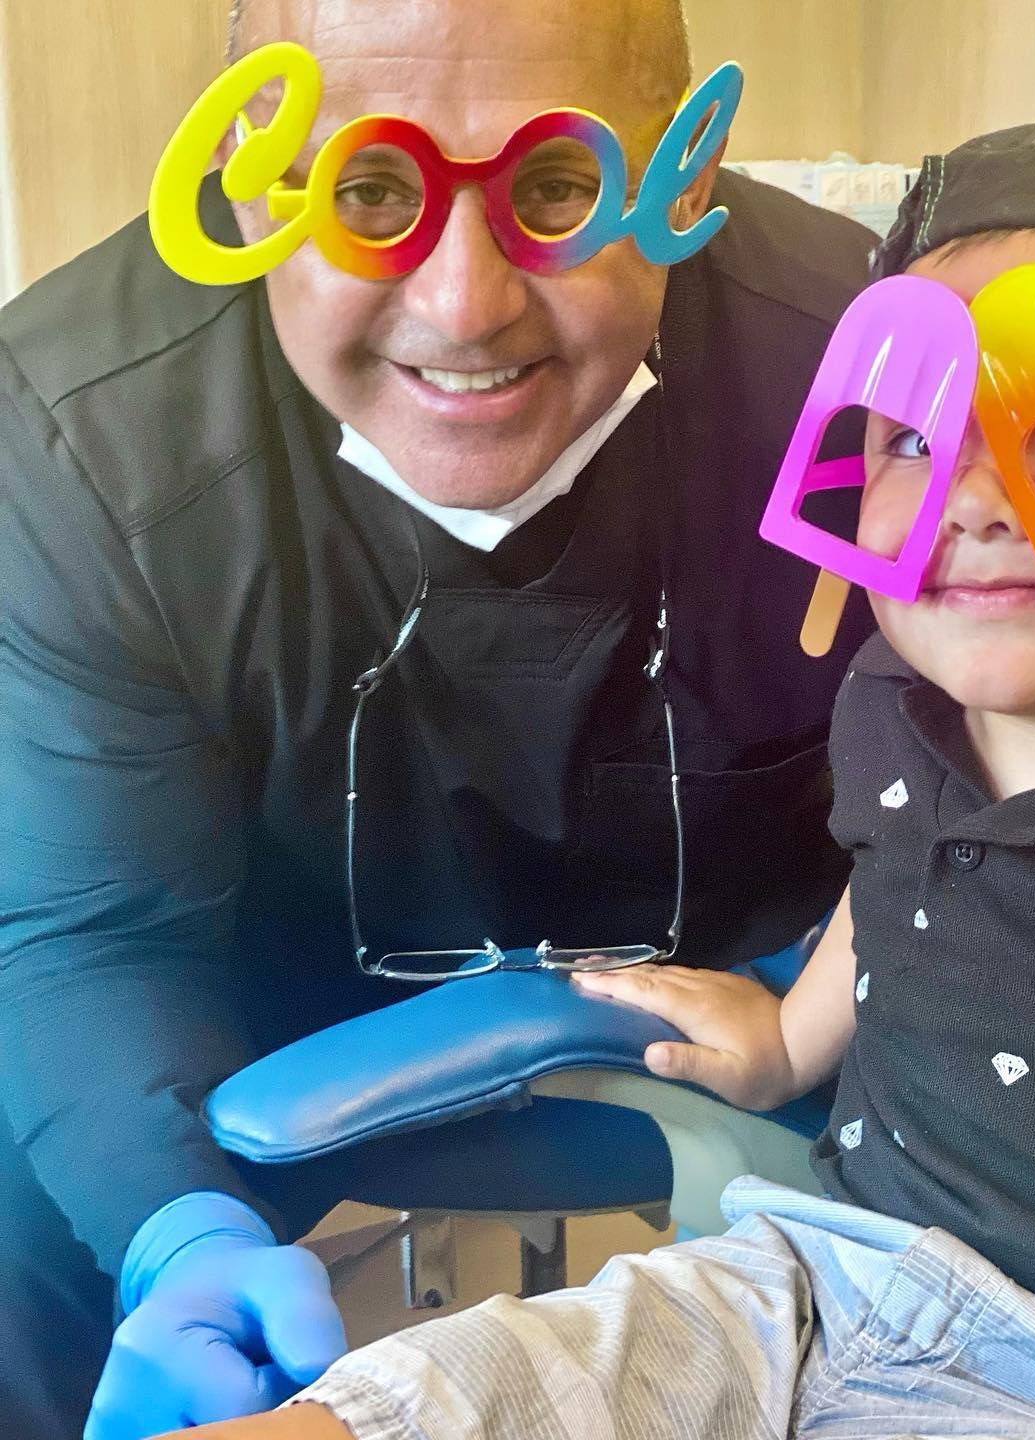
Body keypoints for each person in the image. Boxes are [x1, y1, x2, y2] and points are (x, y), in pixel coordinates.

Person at [176, 118, 1035, 1440]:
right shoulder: (899, 698)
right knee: (452, 1392)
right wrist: (793, 1040)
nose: (975, 497)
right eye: (916, 440)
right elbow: (901, 878)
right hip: (825, 1277)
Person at [0, 0, 877, 1435]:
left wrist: (825, 1007)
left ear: (690, 177)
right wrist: (179, 1237)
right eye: (368, 191)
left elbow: (1010, 803)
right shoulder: (79, 429)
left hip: (782, 1017)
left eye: (560, 186)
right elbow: (92, 930)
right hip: (245, 1036)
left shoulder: (869, 382)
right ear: (247, 190)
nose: (466, 305)